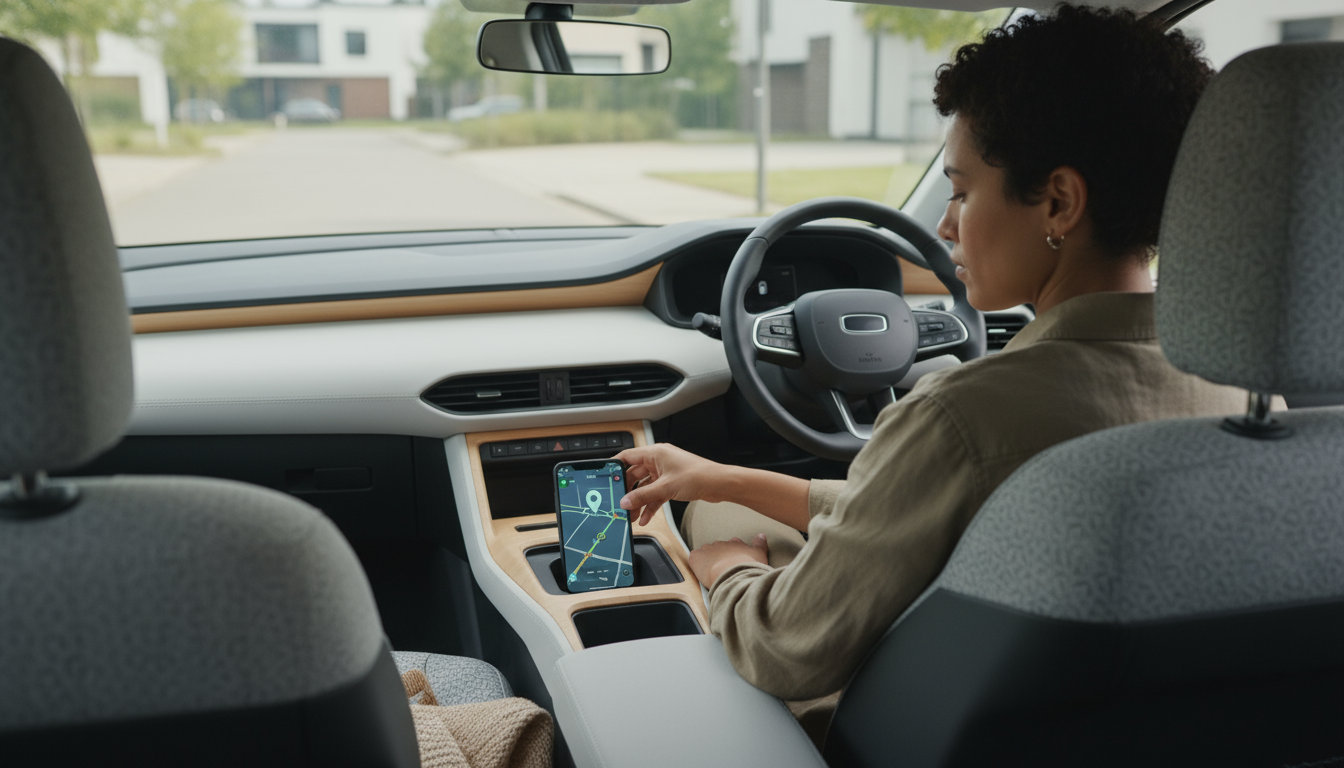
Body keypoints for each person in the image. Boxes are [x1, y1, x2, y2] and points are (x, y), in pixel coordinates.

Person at [615, 4, 1249, 744]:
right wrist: (725, 476)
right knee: (726, 501)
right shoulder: (1236, 385)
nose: (946, 226)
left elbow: (781, 648)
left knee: (716, 532)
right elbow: (914, 511)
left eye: (961, 189)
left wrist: (726, 571)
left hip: (886, 732)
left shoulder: (966, 416)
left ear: (1060, 201)